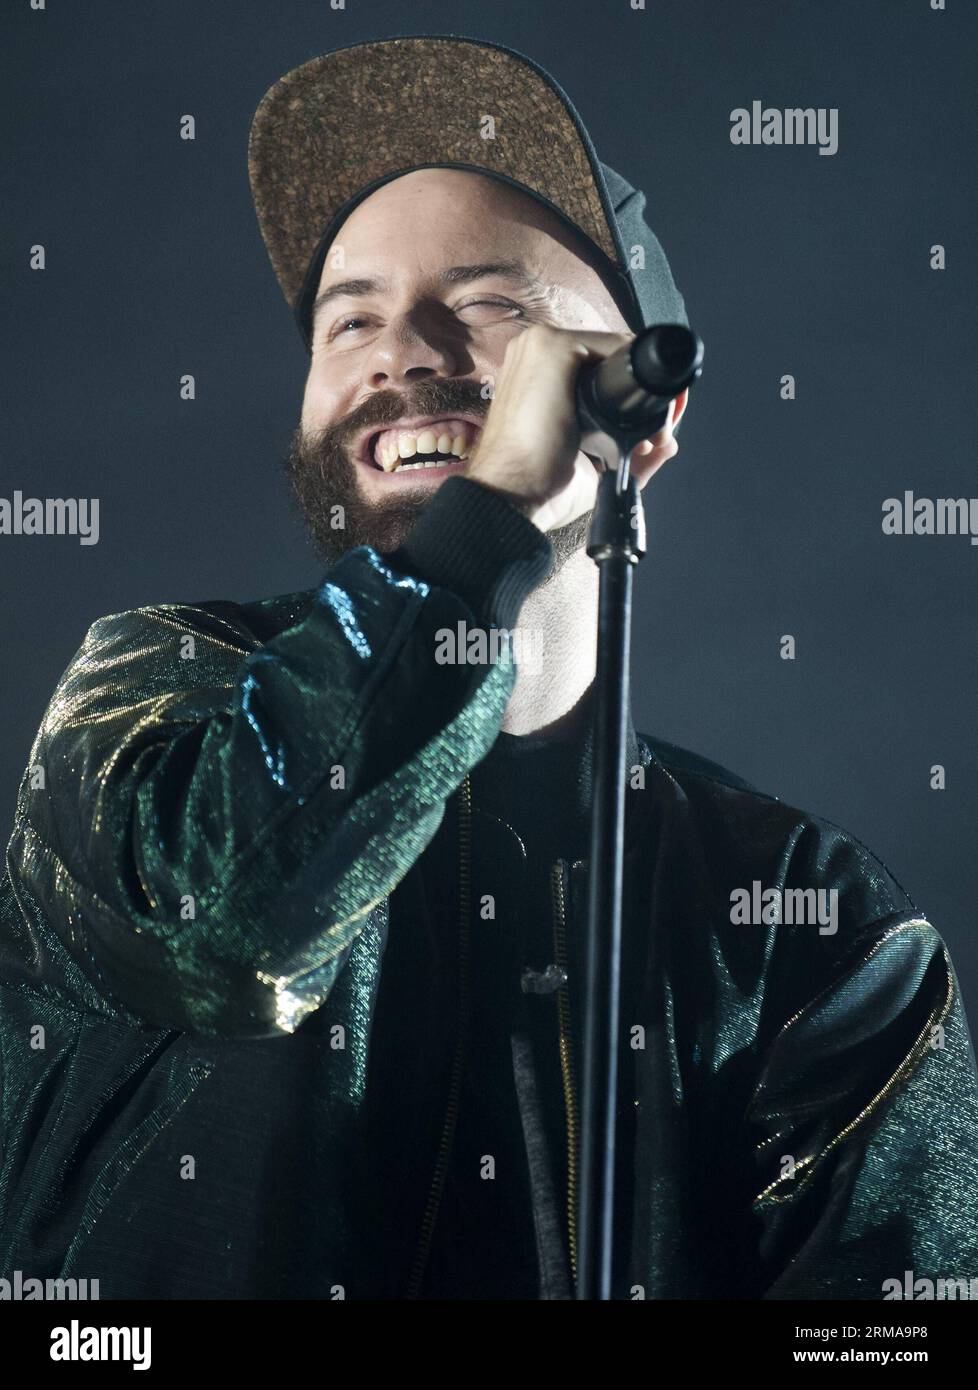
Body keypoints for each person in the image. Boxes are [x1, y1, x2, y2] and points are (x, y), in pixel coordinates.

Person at [1, 35, 976, 1302]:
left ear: (650, 412)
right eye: (348, 316)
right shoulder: (149, 698)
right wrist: (492, 520)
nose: (397, 349)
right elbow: (237, 926)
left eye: (487, 304)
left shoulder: (808, 916)